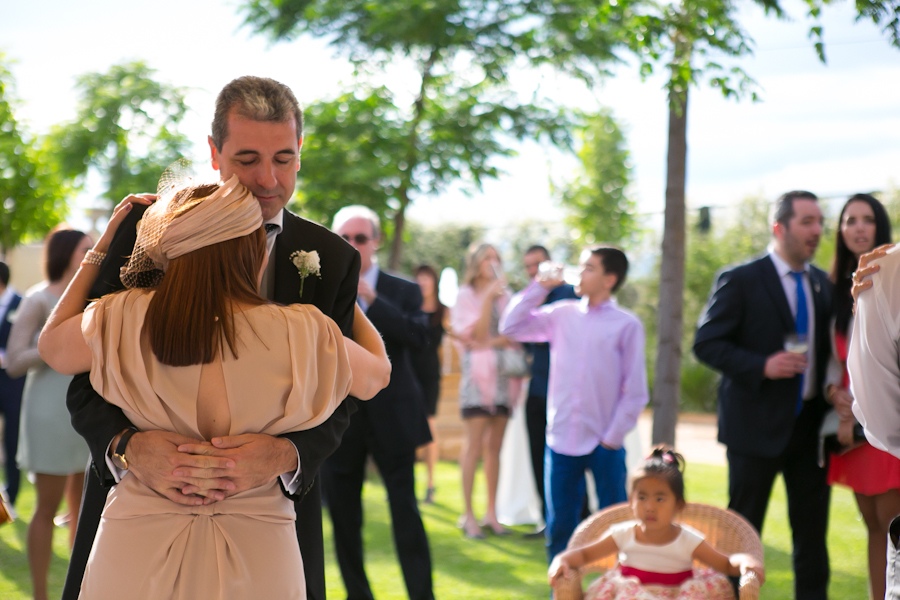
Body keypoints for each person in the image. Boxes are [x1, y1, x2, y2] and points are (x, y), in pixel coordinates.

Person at [61, 76, 361, 600]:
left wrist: (285, 456)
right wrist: (126, 446)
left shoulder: (331, 257)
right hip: (138, 511)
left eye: (284, 158)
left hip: (267, 525)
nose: (268, 179)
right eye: (247, 159)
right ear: (214, 153)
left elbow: (344, 392)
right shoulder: (152, 230)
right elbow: (87, 371)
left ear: (300, 150)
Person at [693, 190, 832, 600]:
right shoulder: (740, 279)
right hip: (753, 429)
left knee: (812, 539)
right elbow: (706, 343)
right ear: (779, 228)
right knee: (740, 536)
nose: (817, 231)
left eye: (820, 222)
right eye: (807, 222)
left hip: (810, 431)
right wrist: (761, 365)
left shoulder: (822, 284)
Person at [500, 245, 649, 562]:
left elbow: (636, 392)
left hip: (605, 445)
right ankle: (561, 586)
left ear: (609, 279)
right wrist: (539, 287)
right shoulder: (561, 314)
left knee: (616, 530)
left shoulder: (627, 325)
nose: (579, 273)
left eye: (589, 268)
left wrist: (611, 439)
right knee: (560, 530)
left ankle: (619, 587)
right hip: (561, 441)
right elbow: (510, 326)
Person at [321, 205, 435, 600]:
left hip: (394, 417)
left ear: (377, 242)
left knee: (405, 511)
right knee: (343, 515)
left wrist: (373, 299)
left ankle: (422, 594)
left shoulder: (404, 289)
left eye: (360, 238)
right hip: (341, 417)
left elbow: (419, 339)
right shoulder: (320, 287)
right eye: (344, 238)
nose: (352, 245)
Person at [548, 448, 764, 600]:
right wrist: (562, 559)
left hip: (677, 594)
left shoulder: (687, 539)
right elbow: (584, 555)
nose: (649, 507)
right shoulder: (623, 534)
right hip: (631, 593)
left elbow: (725, 564)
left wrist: (744, 560)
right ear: (631, 502)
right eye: (641, 498)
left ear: (678, 505)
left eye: (660, 499)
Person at [5, 228, 91, 600]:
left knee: (83, 511)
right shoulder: (39, 299)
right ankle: (40, 595)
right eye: (86, 249)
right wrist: (55, 343)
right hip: (48, 413)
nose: (93, 254)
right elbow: (14, 361)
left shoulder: (95, 298)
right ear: (65, 253)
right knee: (46, 507)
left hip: (87, 412)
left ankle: (77, 591)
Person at [822, 193, 900, 600]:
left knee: (891, 523)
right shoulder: (833, 287)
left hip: (886, 420)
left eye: (867, 219)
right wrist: (833, 393)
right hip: (850, 427)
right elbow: (829, 358)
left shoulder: (890, 274)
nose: (858, 227)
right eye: (849, 220)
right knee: (872, 525)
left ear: (880, 225)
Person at [450, 242, 524, 539]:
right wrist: (487, 301)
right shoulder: (465, 295)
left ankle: (492, 513)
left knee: (495, 448)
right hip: (477, 380)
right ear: (475, 263)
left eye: (496, 258)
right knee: (474, 446)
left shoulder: (507, 296)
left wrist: (489, 341)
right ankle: (468, 514)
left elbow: (513, 335)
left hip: (504, 378)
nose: (492, 263)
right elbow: (476, 335)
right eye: (486, 258)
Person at [519, 245, 578, 534]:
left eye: (537, 265)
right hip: (537, 389)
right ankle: (548, 519)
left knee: (568, 460)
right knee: (537, 457)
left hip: (564, 394)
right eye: (528, 266)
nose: (533, 271)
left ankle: (579, 520)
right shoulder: (530, 298)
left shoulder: (569, 295)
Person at [411, 264, 447, 505]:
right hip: (408, 372)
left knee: (430, 427)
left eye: (427, 278)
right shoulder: (410, 307)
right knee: (408, 428)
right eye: (419, 278)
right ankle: (410, 483)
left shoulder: (444, 311)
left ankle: (430, 484)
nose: (423, 282)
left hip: (430, 376)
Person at [0, 261, 26, 510]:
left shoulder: (22, 303)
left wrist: (7, 357)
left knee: (13, 439)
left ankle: (12, 496)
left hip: (13, 385)